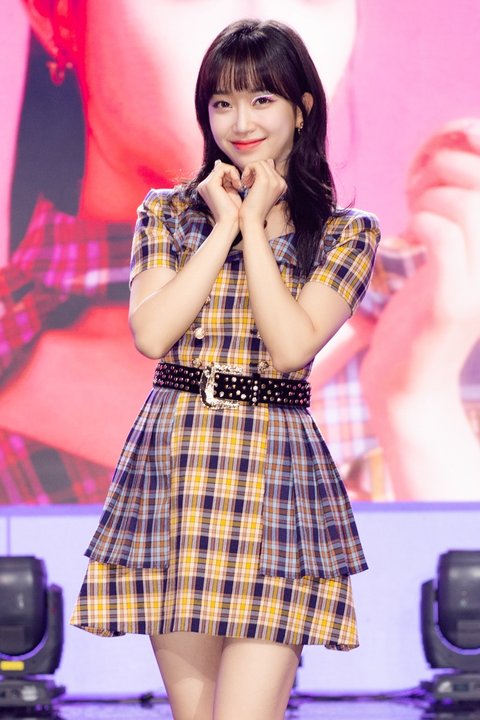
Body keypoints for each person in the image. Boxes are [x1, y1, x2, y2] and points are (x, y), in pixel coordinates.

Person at [70, 19, 379, 720]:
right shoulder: (167, 214)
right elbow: (153, 333)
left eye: (262, 100)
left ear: (301, 108)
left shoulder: (345, 232)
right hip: (177, 470)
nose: (240, 123)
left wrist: (258, 228)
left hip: (274, 477)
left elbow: (290, 346)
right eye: (222, 103)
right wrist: (224, 227)